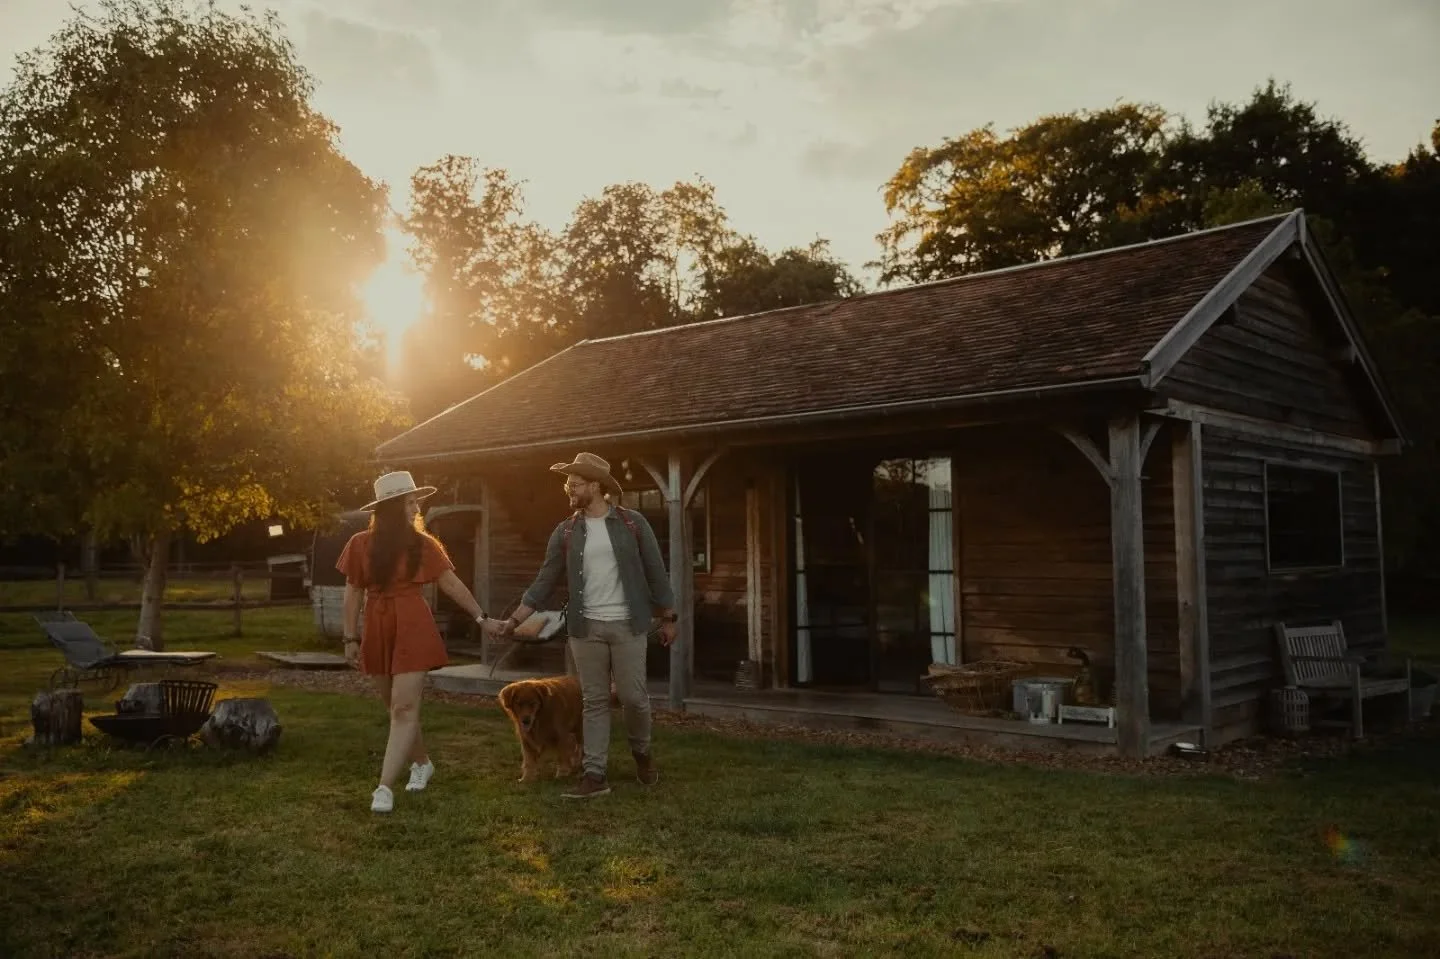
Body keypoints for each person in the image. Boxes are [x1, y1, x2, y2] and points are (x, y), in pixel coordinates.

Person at [501, 452, 677, 799]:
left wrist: (669, 617)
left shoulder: (632, 524)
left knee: (633, 698)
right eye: (568, 483)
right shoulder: (566, 531)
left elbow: (656, 572)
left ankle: (642, 753)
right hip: (586, 628)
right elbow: (544, 581)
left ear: (596, 486)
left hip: (628, 624)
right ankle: (595, 774)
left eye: (575, 483)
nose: (569, 489)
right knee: (594, 701)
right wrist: (514, 620)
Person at [338, 470, 506, 813]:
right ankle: (422, 763)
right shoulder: (359, 544)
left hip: (413, 623)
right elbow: (353, 592)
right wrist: (349, 636)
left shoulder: (424, 544)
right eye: (411, 501)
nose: (417, 508)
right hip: (378, 624)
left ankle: (383, 788)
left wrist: (482, 619)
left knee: (403, 707)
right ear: (392, 507)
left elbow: (452, 584)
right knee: (394, 707)